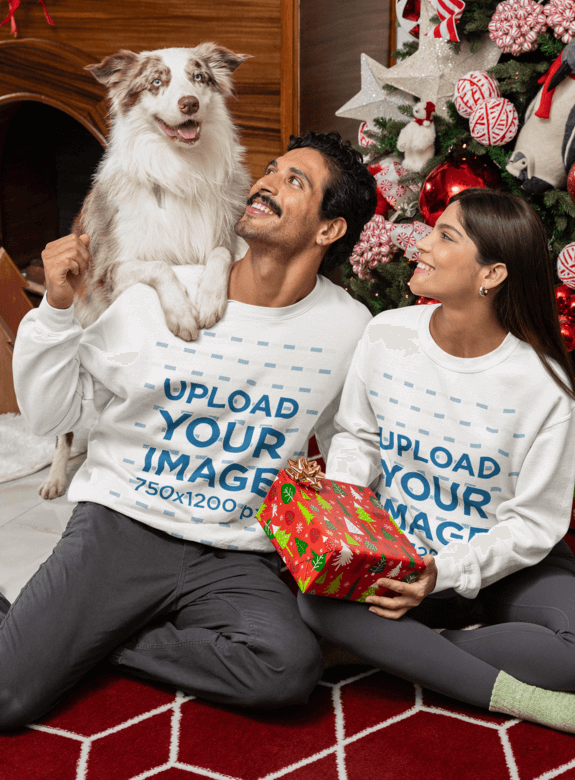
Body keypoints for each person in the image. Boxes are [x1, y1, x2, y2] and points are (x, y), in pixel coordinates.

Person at [5, 131, 376, 729]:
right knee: (6, 698)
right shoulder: (156, 299)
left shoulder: (349, 329)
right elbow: (52, 416)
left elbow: (349, 439)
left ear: (329, 230)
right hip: (124, 522)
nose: (266, 183)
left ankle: (95, 635)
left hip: (234, 552)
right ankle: (58, 626)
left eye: (294, 181)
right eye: (272, 169)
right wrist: (54, 308)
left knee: (286, 668)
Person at [298, 187, 575, 742]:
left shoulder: (545, 388)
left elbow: (532, 525)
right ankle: (529, 700)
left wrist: (446, 573)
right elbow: (358, 438)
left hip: (505, 562)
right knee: (314, 602)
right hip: (398, 551)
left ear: (492, 275)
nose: (421, 242)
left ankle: (379, 650)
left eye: (446, 235)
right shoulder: (387, 334)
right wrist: (344, 522)